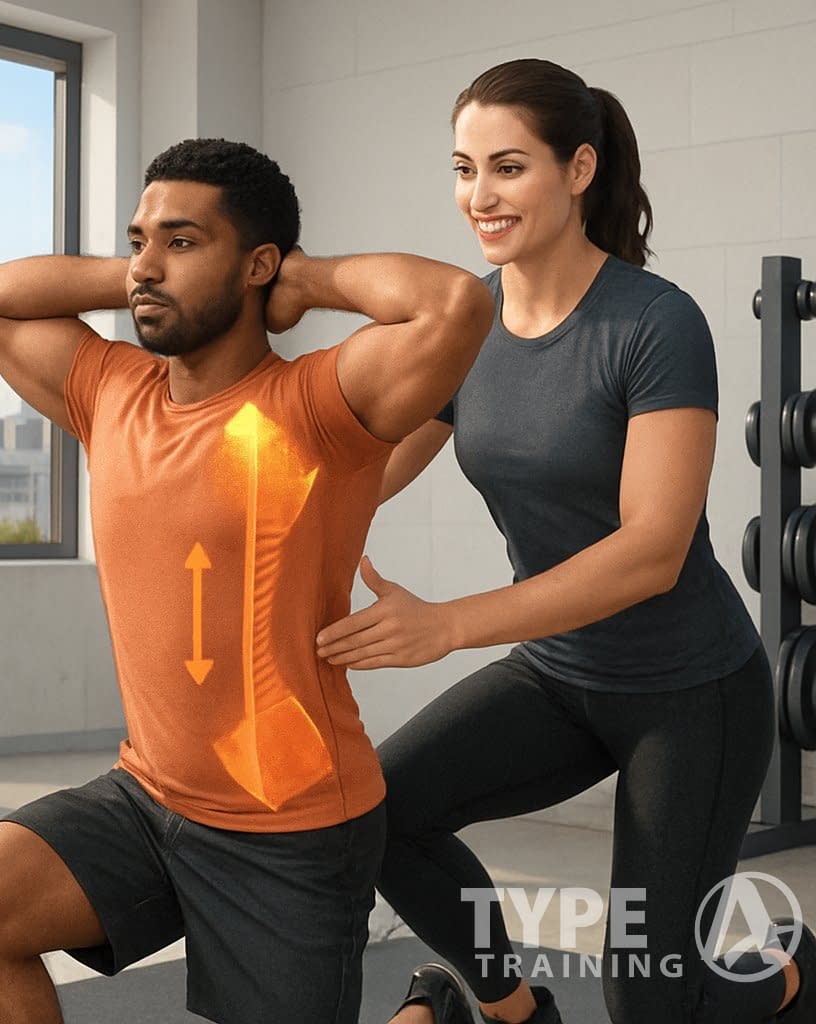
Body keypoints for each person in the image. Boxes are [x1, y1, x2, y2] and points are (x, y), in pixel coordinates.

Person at [0, 138, 493, 1024]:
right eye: (140, 239)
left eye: (182, 242)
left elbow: (452, 304)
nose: (147, 264)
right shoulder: (110, 392)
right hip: (149, 797)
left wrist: (307, 280)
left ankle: (430, 1014)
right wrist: (143, 273)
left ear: (258, 264)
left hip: (291, 830)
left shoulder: (317, 408)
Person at [314, 59, 815, 1024]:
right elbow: (363, 472)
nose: (479, 196)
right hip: (558, 677)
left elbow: (650, 550)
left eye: (507, 168)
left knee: (651, 999)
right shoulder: (467, 319)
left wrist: (448, 625)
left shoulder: (654, 322)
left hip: (690, 693)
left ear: (578, 169)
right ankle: (509, 1008)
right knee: (377, 815)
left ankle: (790, 965)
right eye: (463, 169)